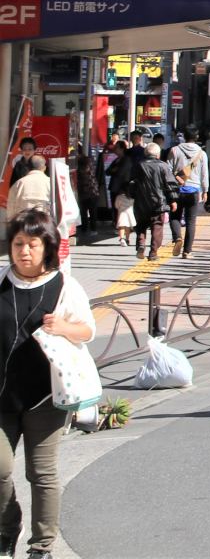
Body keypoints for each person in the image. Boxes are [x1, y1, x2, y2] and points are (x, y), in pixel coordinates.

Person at [0, 211, 95, 559]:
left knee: (41, 474)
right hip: (2, 396)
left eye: (32, 244)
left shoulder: (65, 286)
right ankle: (8, 527)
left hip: (46, 397)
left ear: (47, 247)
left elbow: (87, 331)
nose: (24, 251)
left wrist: (63, 328)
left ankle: (41, 547)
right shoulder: (1, 281)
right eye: (18, 243)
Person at [166, 133, 208, 257]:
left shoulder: (174, 150)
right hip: (193, 189)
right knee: (191, 221)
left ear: (184, 137)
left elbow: (167, 170)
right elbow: (204, 173)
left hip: (177, 189)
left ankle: (177, 237)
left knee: (174, 216)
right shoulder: (201, 153)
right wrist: (205, 190)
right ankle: (187, 251)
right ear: (196, 138)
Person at [130, 144, 173, 262]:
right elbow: (170, 185)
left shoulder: (138, 165)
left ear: (145, 153)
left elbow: (131, 183)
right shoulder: (163, 166)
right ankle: (153, 253)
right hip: (158, 202)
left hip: (140, 202)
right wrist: (173, 200)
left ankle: (141, 244)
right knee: (157, 226)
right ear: (158, 154)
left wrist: (133, 195)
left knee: (141, 225)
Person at [5, 159, 49, 223]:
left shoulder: (19, 183)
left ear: (28, 168)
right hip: (45, 224)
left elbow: (11, 207)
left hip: (23, 225)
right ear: (44, 168)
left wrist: (11, 223)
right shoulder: (51, 182)